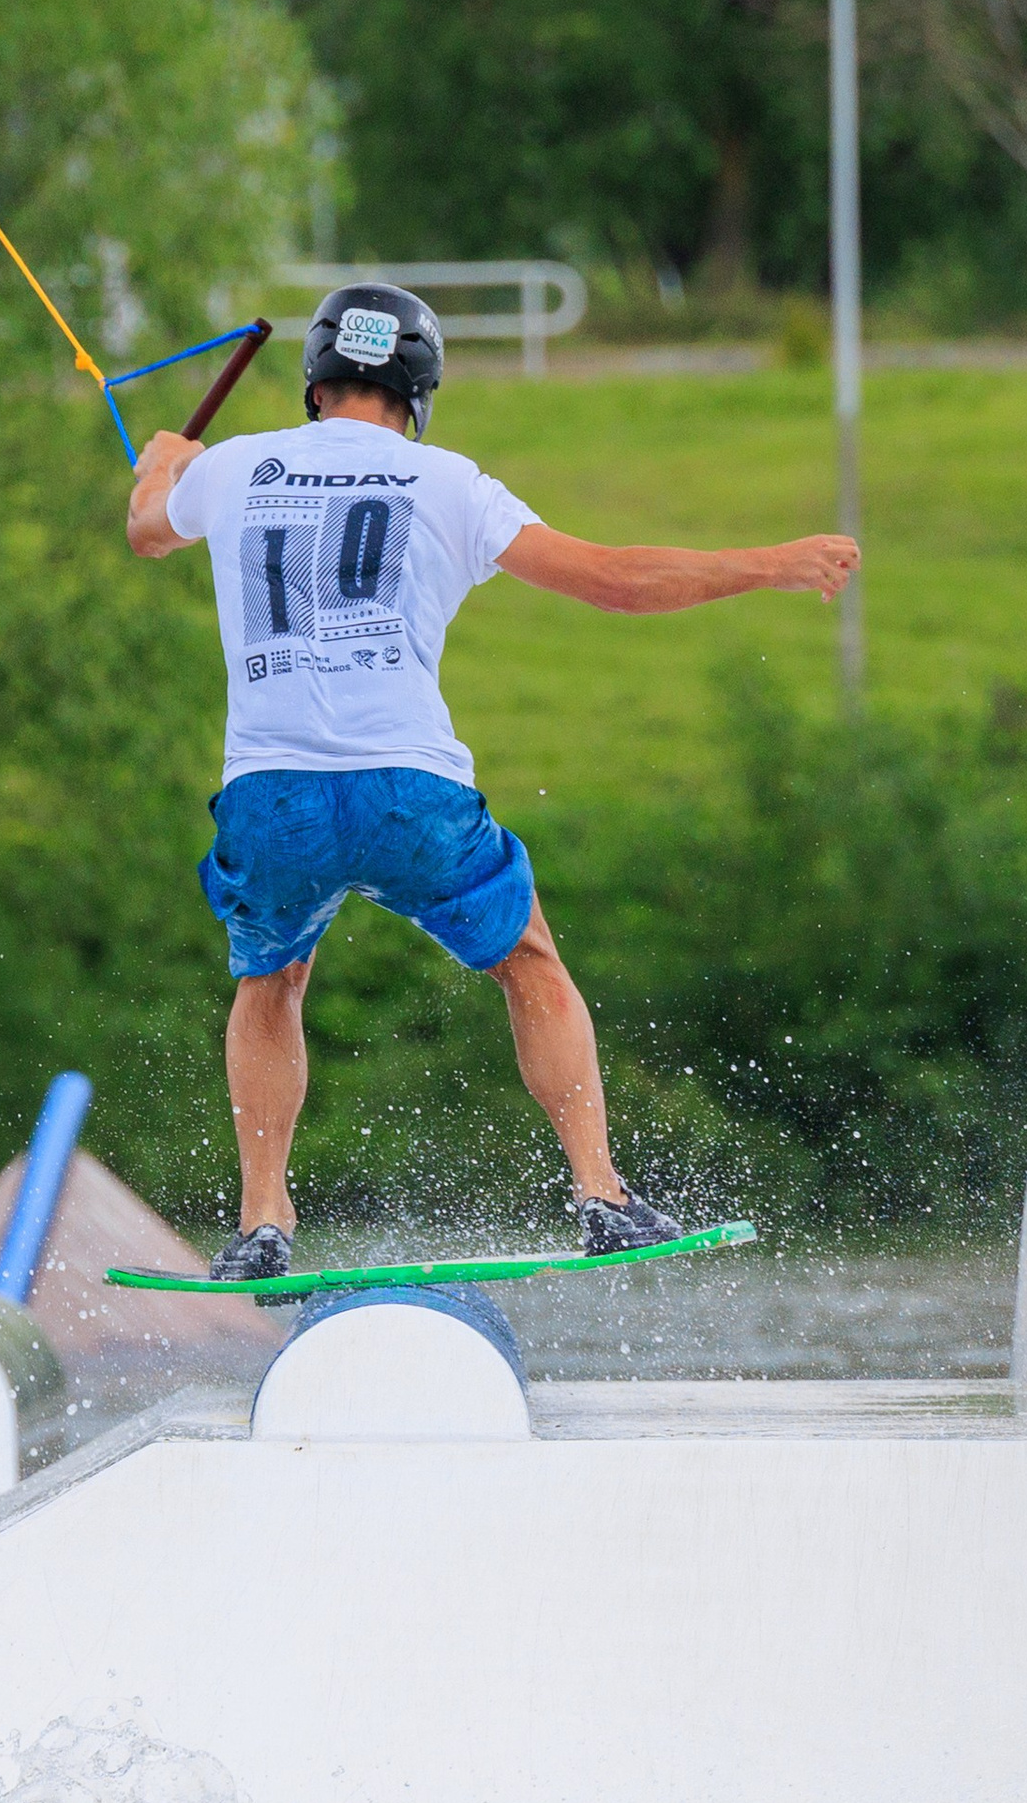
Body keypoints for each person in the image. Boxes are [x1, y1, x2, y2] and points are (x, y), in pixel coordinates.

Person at [128, 280, 860, 1283]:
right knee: (527, 960)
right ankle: (600, 1195)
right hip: (407, 789)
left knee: (272, 977)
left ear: (315, 383)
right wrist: (768, 563)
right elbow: (613, 580)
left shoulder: (233, 466)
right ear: (418, 393)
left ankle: (262, 1222)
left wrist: (165, 465)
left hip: (271, 794)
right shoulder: (449, 484)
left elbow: (147, 531)